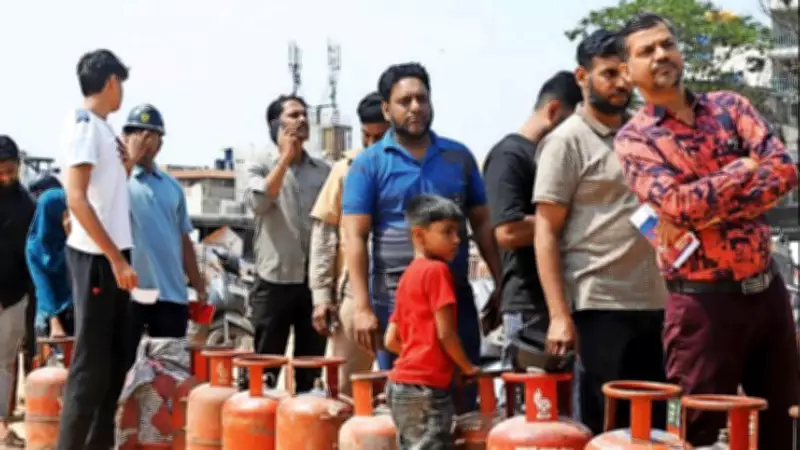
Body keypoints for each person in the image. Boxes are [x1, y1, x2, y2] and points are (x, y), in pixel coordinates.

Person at [613, 13, 799, 448]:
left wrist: (701, 206)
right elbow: (676, 205)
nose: (661, 54)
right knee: (693, 429)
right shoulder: (635, 139)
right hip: (701, 307)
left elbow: (785, 171)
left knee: (782, 423)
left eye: (667, 44)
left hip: (767, 294)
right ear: (627, 71)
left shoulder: (730, 107)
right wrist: (743, 168)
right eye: (646, 50)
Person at [342, 62, 502, 411]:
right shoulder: (368, 164)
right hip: (396, 304)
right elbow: (354, 237)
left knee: (463, 396)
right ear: (387, 109)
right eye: (405, 101)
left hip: (453, 298)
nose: (415, 107)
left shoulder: (458, 158)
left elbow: (482, 225)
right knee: (410, 401)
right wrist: (363, 308)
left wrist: (501, 285)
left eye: (422, 99)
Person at [533, 29, 669, 435]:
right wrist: (559, 316)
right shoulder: (565, 142)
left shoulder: (646, 135)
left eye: (625, 72)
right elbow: (545, 232)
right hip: (599, 306)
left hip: (656, 304)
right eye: (609, 73)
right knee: (605, 430)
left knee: (652, 430)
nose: (621, 83)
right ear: (582, 77)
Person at [57, 49, 152, 450]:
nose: (122, 93)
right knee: (90, 367)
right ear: (112, 81)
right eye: (121, 85)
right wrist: (114, 258)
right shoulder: (84, 127)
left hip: (115, 255)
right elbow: (77, 199)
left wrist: (129, 164)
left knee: (115, 363)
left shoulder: (104, 130)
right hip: (97, 258)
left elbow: (106, 192)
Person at [483, 71, 582, 370]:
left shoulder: (555, 154)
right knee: (533, 396)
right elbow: (508, 231)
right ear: (554, 111)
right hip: (529, 306)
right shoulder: (510, 155)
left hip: (566, 300)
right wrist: (576, 220)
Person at [244, 94, 331, 392]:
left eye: (304, 114)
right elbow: (258, 204)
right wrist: (284, 158)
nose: (302, 120)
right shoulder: (258, 165)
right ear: (276, 126)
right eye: (294, 115)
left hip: (313, 285)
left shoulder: (323, 172)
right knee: (263, 374)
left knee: (311, 372)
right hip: (274, 281)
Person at [309, 91, 390, 395]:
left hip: (401, 290)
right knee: (344, 388)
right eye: (366, 136)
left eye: (380, 137)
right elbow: (324, 234)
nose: (371, 144)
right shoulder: (346, 169)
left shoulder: (411, 167)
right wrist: (321, 296)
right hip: (354, 295)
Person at [385, 194, 480, 450]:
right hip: (427, 391)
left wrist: (419, 355)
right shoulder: (437, 271)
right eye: (447, 232)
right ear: (419, 235)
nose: (457, 240)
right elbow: (445, 333)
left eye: (458, 232)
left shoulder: (407, 276)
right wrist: (467, 367)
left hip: (400, 387)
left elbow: (390, 340)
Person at [125, 104, 207, 367]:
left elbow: (184, 240)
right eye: (139, 134)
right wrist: (128, 161)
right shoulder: (118, 182)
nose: (146, 141)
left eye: (152, 135)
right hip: (133, 293)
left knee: (169, 372)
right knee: (126, 367)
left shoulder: (172, 188)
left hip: (170, 294)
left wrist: (199, 285)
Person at [0, 135, 35, 448]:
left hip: (13, 295)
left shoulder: (26, 204)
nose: (5, 177)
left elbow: (31, 252)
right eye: (0, 171)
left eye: (10, 170)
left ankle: (0, 423)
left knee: (4, 362)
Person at [26, 187, 74, 339]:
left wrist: (71, 239)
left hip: (76, 308)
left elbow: (79, 273)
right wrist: (54, 321)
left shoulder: (75, 240)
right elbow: (42, 285)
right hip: (50, 315)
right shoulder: (35, 247)